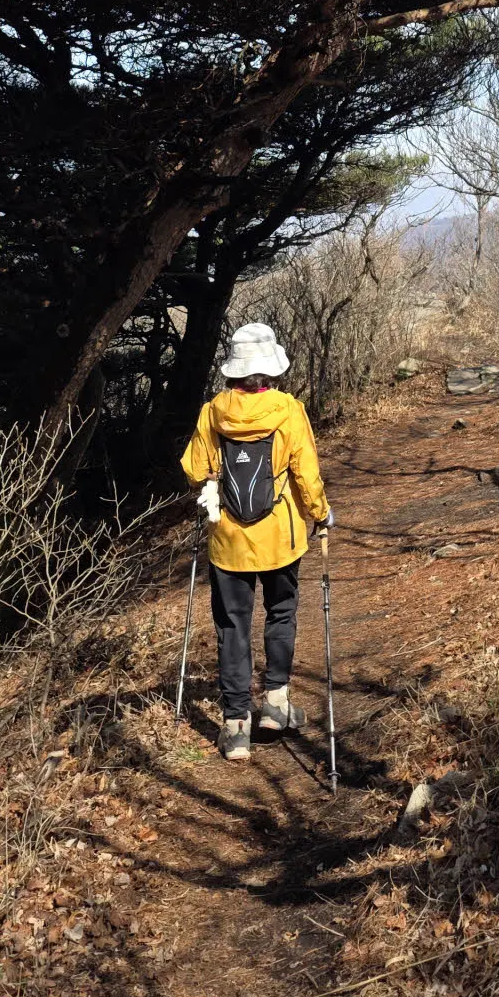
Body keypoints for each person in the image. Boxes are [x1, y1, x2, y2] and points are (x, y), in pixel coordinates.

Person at [180, 321, 333, 761]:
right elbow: (305, 473)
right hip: (280, 535)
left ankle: (235, 728)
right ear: (270, 369)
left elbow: (193, 468)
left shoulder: (213, 411)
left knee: (232, 626)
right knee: (281, 612)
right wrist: (320, 515)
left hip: (228, 538)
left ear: (233, 369)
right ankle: (275, 705)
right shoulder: (288, 409)